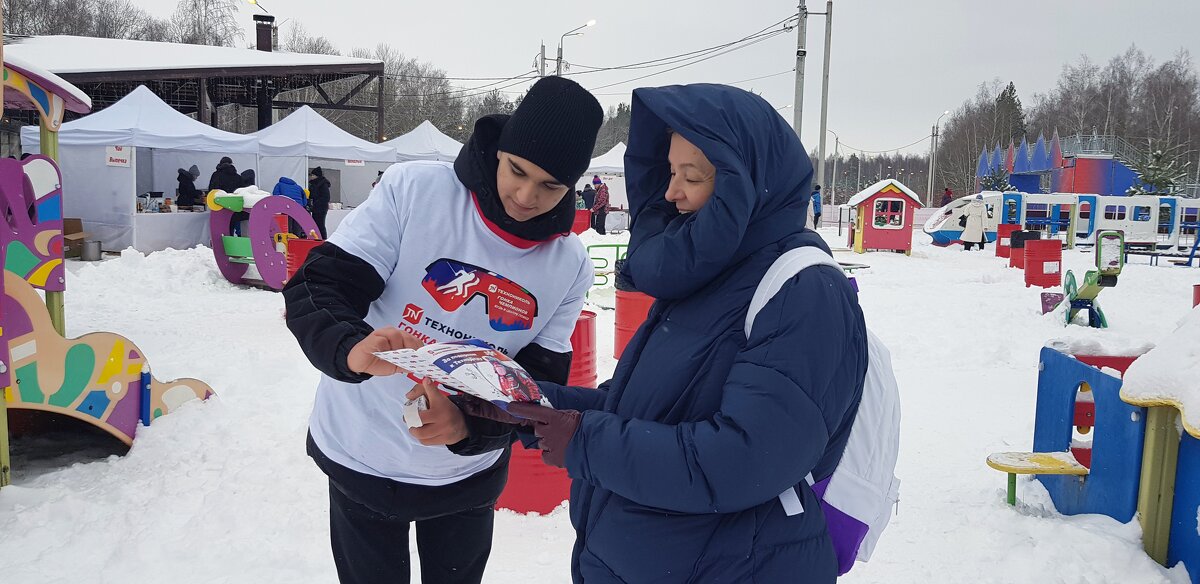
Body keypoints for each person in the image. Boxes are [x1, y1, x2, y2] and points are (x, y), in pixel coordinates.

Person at [460, 84, 868, 583]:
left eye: (691, 177)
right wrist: (527, 405)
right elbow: (646, 410)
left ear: (746, 181)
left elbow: (745, 459)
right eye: (670, 172)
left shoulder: (803, 292)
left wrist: (585, 440)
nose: (671, 191)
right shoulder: (712, 276)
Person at [282, 75, 602, 584]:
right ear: (500, 150)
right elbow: (320, 285)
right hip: (362, 451)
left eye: (550, 186)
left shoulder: (568, 263)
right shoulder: (418, 192)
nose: (525, 195)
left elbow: (536, 386)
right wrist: (350, 347)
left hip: (464, 480)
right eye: (518, 170)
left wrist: (472, 427)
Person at [308, 167, 332, 239]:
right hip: (315, 207)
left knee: (320, 224)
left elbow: (326, 197)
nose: (311, 176)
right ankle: (317, 238)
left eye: (312, 175)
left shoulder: (322, 185)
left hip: (321, 208)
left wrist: (316, 203)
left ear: (316, 176)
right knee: (315, 224)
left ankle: (323, 239)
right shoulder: (314, 184)